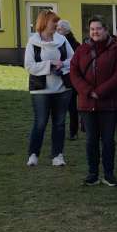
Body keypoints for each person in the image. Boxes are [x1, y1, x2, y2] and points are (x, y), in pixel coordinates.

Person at [69, 16, 117, 187]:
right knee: (91, 140)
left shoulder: (116, 49)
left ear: (106, 30)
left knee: (108, 140)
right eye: (92, 29)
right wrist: (88, 91)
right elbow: (74, 72)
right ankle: (93, 173)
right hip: (87, 103)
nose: (95, 32)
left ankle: (109, 174)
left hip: (109, 103)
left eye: (98, 28)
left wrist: (100, 91)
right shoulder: (82, 49)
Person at [24, 9, 74, 167]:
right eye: (54, 21)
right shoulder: (33, 42)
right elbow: (29, 66)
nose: (57, 25)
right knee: (40, 123)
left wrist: (62, 65)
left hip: (62, 89)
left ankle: (57, 155)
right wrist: (49, 64)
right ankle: (33, 154)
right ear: (45, 22)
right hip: (41, 90)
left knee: (59, 123)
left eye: (57, 21)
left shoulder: (62, 40)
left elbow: (73, 60)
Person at [56, 19, 82, 140]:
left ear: (66, 31)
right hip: (64, 77)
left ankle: (73, 131)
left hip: (71, 78)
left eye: (59, 29)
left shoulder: (73, 44)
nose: (57, 31)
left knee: (72, 106)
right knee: (69, 106)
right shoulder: (59, 42)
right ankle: (72, 131)